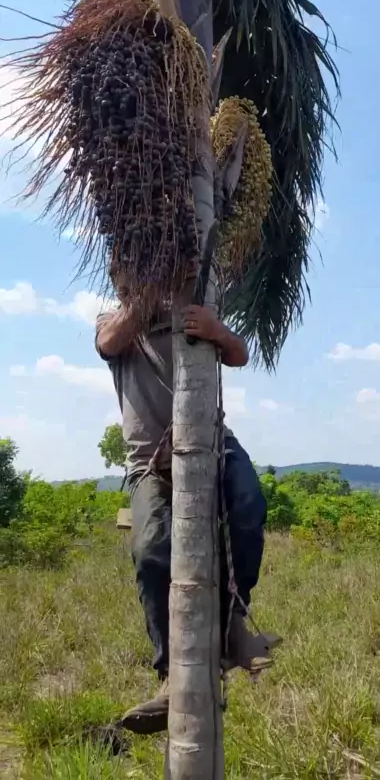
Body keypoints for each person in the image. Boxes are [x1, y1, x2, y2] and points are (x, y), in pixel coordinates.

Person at [95, 277, 277, 734]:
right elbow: (108, 341)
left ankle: (234, 623)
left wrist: (217, 331)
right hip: (148, 460)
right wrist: (145, 295)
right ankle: (169, 673)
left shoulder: (197, 305)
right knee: (151, 550)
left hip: (212, 442)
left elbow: (239, 353)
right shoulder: (114, 320)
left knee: (249, 505)